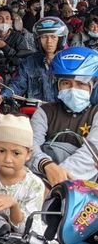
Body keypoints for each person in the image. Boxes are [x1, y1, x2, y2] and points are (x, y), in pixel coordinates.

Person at [30, 47, 98, 187]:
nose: (73, 90)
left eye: (81, 84)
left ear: (93, 88)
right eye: (66, 83)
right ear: (57, 86)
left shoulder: (96, 113)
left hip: (83, 188)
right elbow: (30, 144)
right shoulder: (44, 112)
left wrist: (55, 179)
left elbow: (90, 153)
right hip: (39, 181)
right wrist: (46, 165)